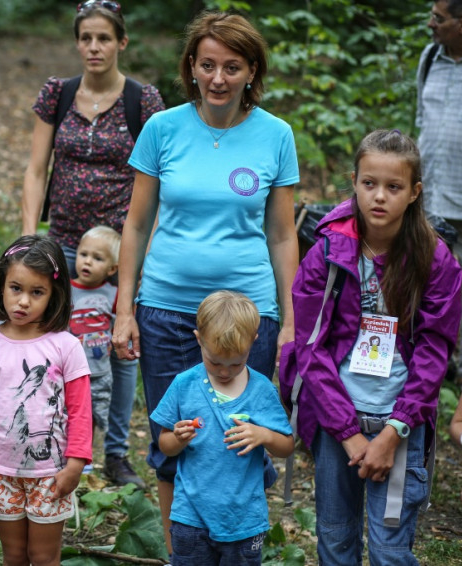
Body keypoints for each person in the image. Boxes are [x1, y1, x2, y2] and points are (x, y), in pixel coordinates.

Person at [112, 11, 299, 549]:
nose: (218, 78)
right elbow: (137, 225)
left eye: (232, 67)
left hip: (248, 316)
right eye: (208, 65)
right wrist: (124, 309)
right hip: (168, 310)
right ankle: (182, 554)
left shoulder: (276, 135)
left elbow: (282, 235)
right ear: (191, 66)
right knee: (175, 438)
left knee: (241, 440)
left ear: (252, 71)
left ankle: (238, 547)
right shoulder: (162, 128)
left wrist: (290, 322)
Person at [288, 129, 461, 565]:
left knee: (389, 551)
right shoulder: (326, 253)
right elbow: (311, 349)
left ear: (414, 192)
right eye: (369, 183)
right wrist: (346, 432)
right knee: (335, 541)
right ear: (354, 182)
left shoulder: (434, 259)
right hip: (336, 424)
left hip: (399, 426)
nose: (379, 196)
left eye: (393, 187)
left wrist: (393, 431)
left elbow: (434, 353)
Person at [14, 0, 163, 489]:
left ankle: (116, 454)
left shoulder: (143, 100)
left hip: (120, 251)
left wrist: (146, 248)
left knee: (120, 348)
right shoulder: (58, 93)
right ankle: (37, 433)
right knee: (37, 331)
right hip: (62, 244)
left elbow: (157, 177)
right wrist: (29, 236)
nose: (94, 47)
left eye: (104, 38)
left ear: (121, 42)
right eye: (86, 38)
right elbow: (36, 168)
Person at [0, 235, 92, 566]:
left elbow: (81, 411)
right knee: (15, 555)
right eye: (16, 288)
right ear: (1, 286)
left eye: (37, 292)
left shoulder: (66, 346)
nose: (23, 301)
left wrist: (76, 463)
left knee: (44, 557)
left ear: (54, 294)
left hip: (51, 473)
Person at [151, 291, 293, 566]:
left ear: (253, 341)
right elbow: (164, 445)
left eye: (236, 363)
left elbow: (286, 446)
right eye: (215, 362)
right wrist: (178, 438)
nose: (225, 372)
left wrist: (264, 435)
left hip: (243, 520)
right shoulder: (184, 384)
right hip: (190, 516)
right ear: (199, 339)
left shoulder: (261, 390)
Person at [416, 0, 462, 379]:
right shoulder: (430, 58)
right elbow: (422, 120)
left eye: (439, 18)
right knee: (430, 298)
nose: (431, 24)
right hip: (429, 205)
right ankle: (430, 376)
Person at [69, 226, 120, 455]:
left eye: (97, 258)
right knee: (65, 413)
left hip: (99, 372)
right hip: (68, 371)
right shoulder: (65, 290)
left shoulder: (114, 294)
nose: (87, 262)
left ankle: (83, 456)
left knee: (91, 416)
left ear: (112, 269)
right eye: (83, 254)